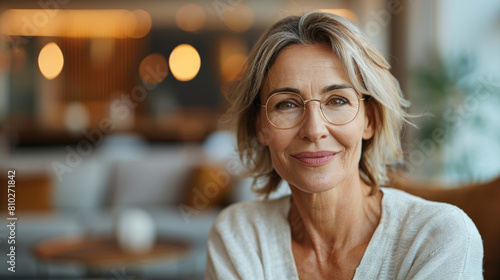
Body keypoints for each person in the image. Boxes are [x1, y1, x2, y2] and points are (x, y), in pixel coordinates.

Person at [205, 11, 483, 280]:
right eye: (287, 104)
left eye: (337, 100)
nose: (314, 130)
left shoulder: (439, 237)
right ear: (260, 127)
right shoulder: (239, 235)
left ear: (369, 120)